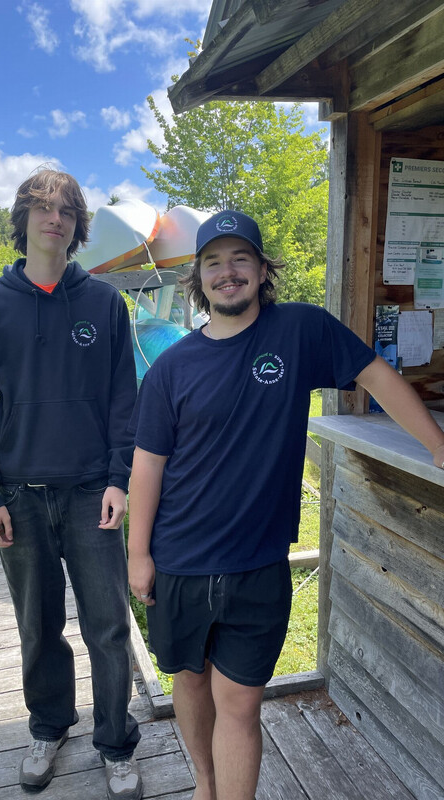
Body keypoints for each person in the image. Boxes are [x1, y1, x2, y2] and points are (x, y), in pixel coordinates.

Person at [127, 210, 444, 800]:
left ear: (261, 269)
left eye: (240, 258)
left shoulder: (300, 330)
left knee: (239, 703)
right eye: (213, 262)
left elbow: (375, 375)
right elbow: (148, 464)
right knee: (189, 681)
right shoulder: (171, 368)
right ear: (198, 277)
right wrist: (138, 554)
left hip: (259, 562)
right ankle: (204, 783)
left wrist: (438, 445)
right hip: (180, 559)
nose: (228, 272)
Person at [0, 168, 142, 799]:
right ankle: (49, 727)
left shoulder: (104, 303)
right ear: (24, 219)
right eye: (41, 208)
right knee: (37, 626)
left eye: (65, 210)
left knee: (108, 627)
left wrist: (119, 478)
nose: (54, 219)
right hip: (20, 496)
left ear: (77, 225)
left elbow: (123, 400)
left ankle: (115, 742)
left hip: (92, 493)